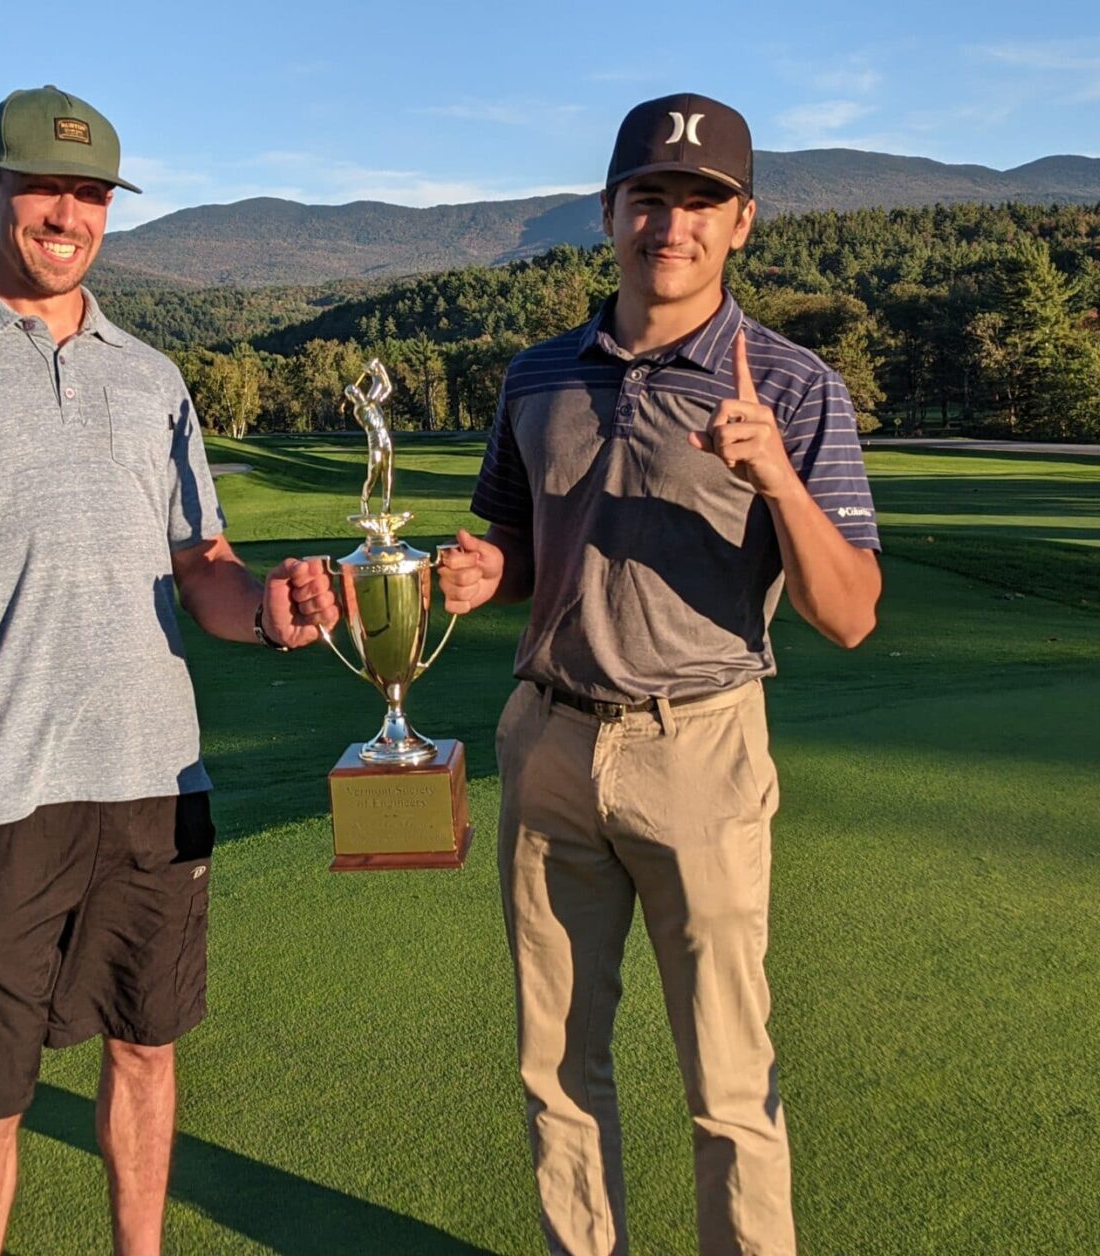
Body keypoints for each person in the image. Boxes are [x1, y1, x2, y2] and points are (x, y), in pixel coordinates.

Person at [0, 85, 334, 1256]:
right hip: (3, 791)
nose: (68, 212)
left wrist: (268, 610)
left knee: (147, 1048)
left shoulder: (151, 378)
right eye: (44, 186)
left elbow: (202, 565)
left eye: (92, 191)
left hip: (157, 780)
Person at [436, 93, 883, 1255]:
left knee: (729, 1080)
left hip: (701, 746)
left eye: (699, 203)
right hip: (548, 740)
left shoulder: (791, 384)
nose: (669, 224)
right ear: (607, 212)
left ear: (742, 222)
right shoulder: (536, 376)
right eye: (649, 198)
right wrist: (479, 569)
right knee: (557, 1066)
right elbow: (517, 550)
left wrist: (776, 477)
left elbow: (849, 615)